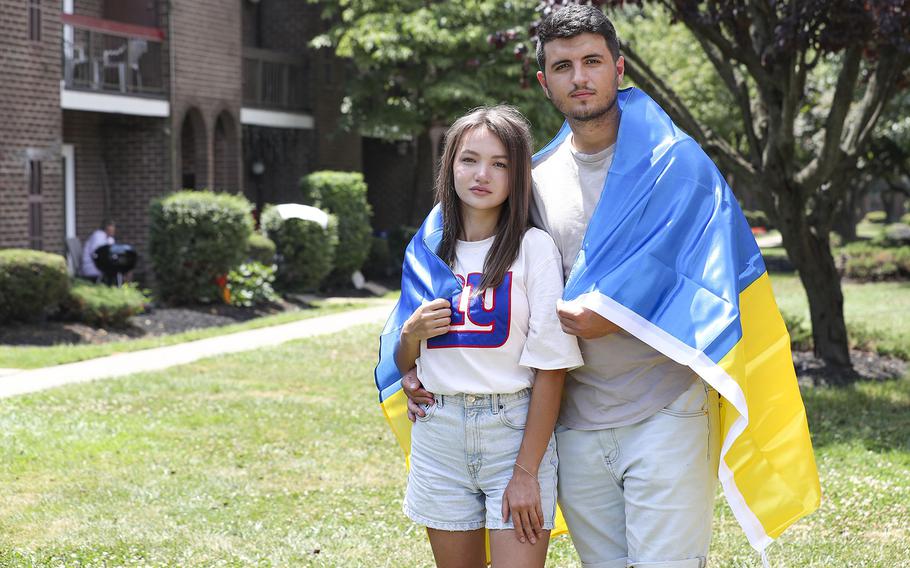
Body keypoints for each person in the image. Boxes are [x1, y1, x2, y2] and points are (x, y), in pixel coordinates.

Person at [405, 5, 820, 568]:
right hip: (574, 421)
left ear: (618, 69)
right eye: (563, 66)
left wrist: (621, 316)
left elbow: (711, 279)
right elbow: (456, 256)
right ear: (543, 82)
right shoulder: (530, 182)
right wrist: (409, 355)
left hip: (665, 409)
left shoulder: (678, 168)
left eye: (593, 61)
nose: (580, 77)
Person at [389, 105, 583, 568]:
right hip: (439, 435)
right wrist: (411, 335)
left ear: (518, 176)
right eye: (469, 159)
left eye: (500, 164)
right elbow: (405, 363)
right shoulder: (428, 251)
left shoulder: (533, 248)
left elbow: (551, 367)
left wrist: (525, 473)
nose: (482, 174)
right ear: (450, 165)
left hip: (512, 432)